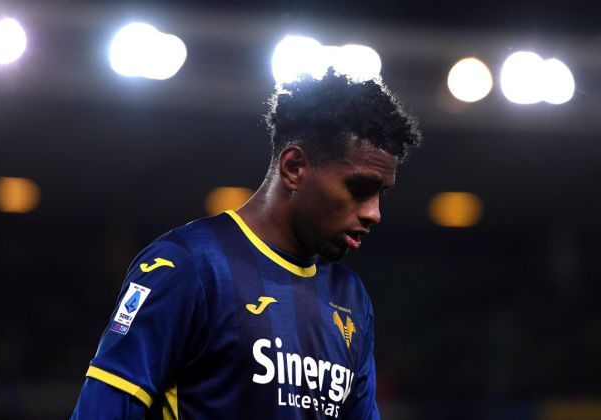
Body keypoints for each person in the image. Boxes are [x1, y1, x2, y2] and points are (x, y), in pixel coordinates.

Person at [71, 68, 420, 419]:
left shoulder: (351, 298)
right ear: (294, 167)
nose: (374, 213)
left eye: (381, 194)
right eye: (359, 189)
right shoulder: (187, 266)